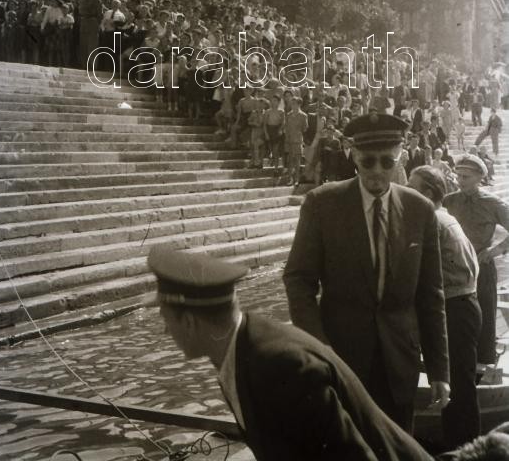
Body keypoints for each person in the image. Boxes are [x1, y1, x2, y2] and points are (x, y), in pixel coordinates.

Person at [148, 246, 434, 461]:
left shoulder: (280, 367)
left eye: (165, 319)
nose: (164, 330)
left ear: (190, 322)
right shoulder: (243, 348)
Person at [283, 112, 450, 433]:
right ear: (354, 156)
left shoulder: (420, 210)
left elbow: (431, 295)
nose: (376, 170)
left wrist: (439, 370)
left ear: (399, 158)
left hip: (399, 364)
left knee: (396, 448)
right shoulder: (322, 204)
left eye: (387, 162)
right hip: (339, 361)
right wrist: (319, 349)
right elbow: (298, 280)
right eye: (368, 161)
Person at [408, 166, 481, 451]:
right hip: (461, 306)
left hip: (454, 309)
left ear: (427, 193)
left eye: (411, 187)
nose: (404, 191)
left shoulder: (433, 221)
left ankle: (465, 450)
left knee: (458, 389)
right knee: (458, 386)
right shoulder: (445, 217)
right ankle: (463, 448)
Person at [444, 155, 509, 377]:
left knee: (485, 314)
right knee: (456, 315)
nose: (460, 180)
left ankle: (485, 365)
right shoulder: (449, 201)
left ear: (480, 177)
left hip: (482, 267)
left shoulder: (493, 203)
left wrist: (495, 251)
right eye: (458, 176)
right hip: (454, 268)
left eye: (466, 177)